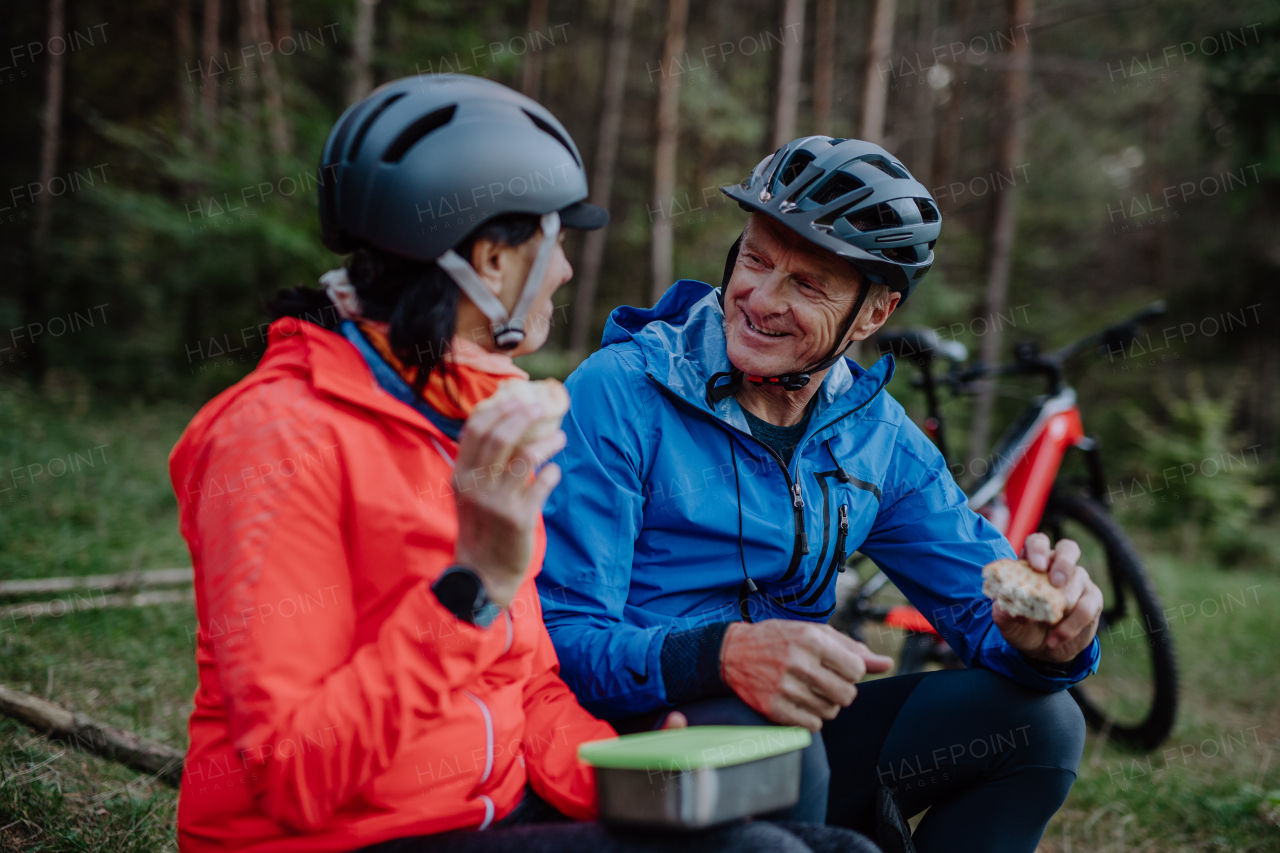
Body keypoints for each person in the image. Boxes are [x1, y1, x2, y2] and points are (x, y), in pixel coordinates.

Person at [169, 76, 877, 853]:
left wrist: (621, 777)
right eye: (558, 242)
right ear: (492, 259)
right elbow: (295, 776)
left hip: (486, 815)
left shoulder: (471, 420)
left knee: (839, 849)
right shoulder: (276, 439)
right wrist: (470, 588)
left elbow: (524, 681)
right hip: (338, 840)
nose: (568, 272)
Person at [537, 135, 1104, 853]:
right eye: (756, 260)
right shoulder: (621, 391)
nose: (760, 300)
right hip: (639, 738)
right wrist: (721, 653)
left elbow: (980, 607)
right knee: (785, 745)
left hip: (789, 726)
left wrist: (1051, 644)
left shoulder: (876, 436)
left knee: (1043, 721)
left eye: (807, 285)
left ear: (873, 313)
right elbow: (560, 637)